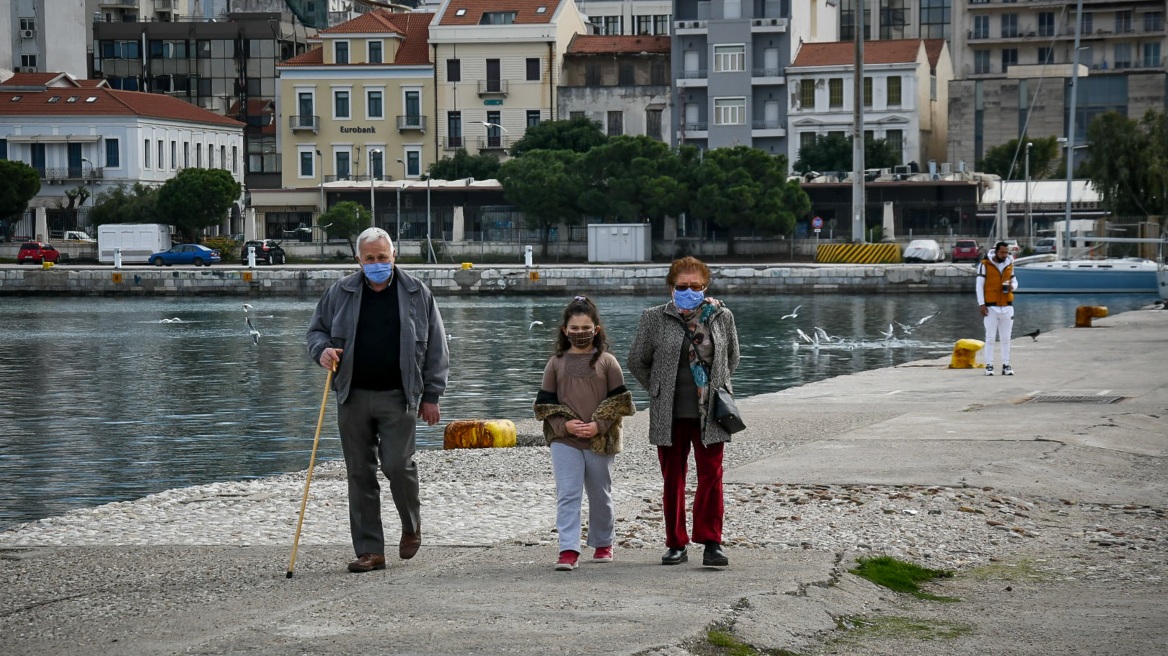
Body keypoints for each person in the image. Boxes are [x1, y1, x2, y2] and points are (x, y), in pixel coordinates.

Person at [307, 227, 449, 573]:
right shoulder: (339, 292)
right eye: (369, 258)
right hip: (351, 394)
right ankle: (370, 550)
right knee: (359, 473)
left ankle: (411, 525)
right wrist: (323, 351)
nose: (376, 263)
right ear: (358, 260)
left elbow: (436, 346)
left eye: (382, 257)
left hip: (399, 396)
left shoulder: (418, 292)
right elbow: (316, 331)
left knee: (398, 467)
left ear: (394, 256)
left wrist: (431, 395)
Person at [627, 257, 740, 568]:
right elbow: (636, 360)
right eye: (682, 286)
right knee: (672, 479)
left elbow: (732, 358)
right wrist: (658, 388)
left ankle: (711, 542)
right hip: (670, 411)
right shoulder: (654, 317)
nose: (688, 291)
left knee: (711, 477)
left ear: (705, 287)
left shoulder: (721, 316)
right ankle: (675, 543)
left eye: (695, 286)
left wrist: (714, 386)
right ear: (670, 287)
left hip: (711, 412)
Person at [534, 296, 635, 571]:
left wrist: (598, 426)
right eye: (575, 328)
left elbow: (620, 403)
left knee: (600, 493)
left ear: (596, 329)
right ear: (565, 331)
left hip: (599, 440)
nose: (580, 333)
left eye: (585, 328)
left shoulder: (607, 362)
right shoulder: (555, 363)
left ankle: (603, 542)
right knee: (568, 493)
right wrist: (563, 426)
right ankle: (568, 549)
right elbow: (544, 404)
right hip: (564, 440)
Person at [976, 241, 1018, 376]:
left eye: (1006, 252)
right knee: (990, 338)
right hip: (991, 307)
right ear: (996, 252)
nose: (1005, 255)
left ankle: (1006, 364)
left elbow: (1015, 281)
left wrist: (1013, 287)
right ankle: (989, 365)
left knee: (1006, 338)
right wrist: (981, 304)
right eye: (1002, 252)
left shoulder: (1009, 264)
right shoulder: (984, 265)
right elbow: (979, 286)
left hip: (1006, 306)